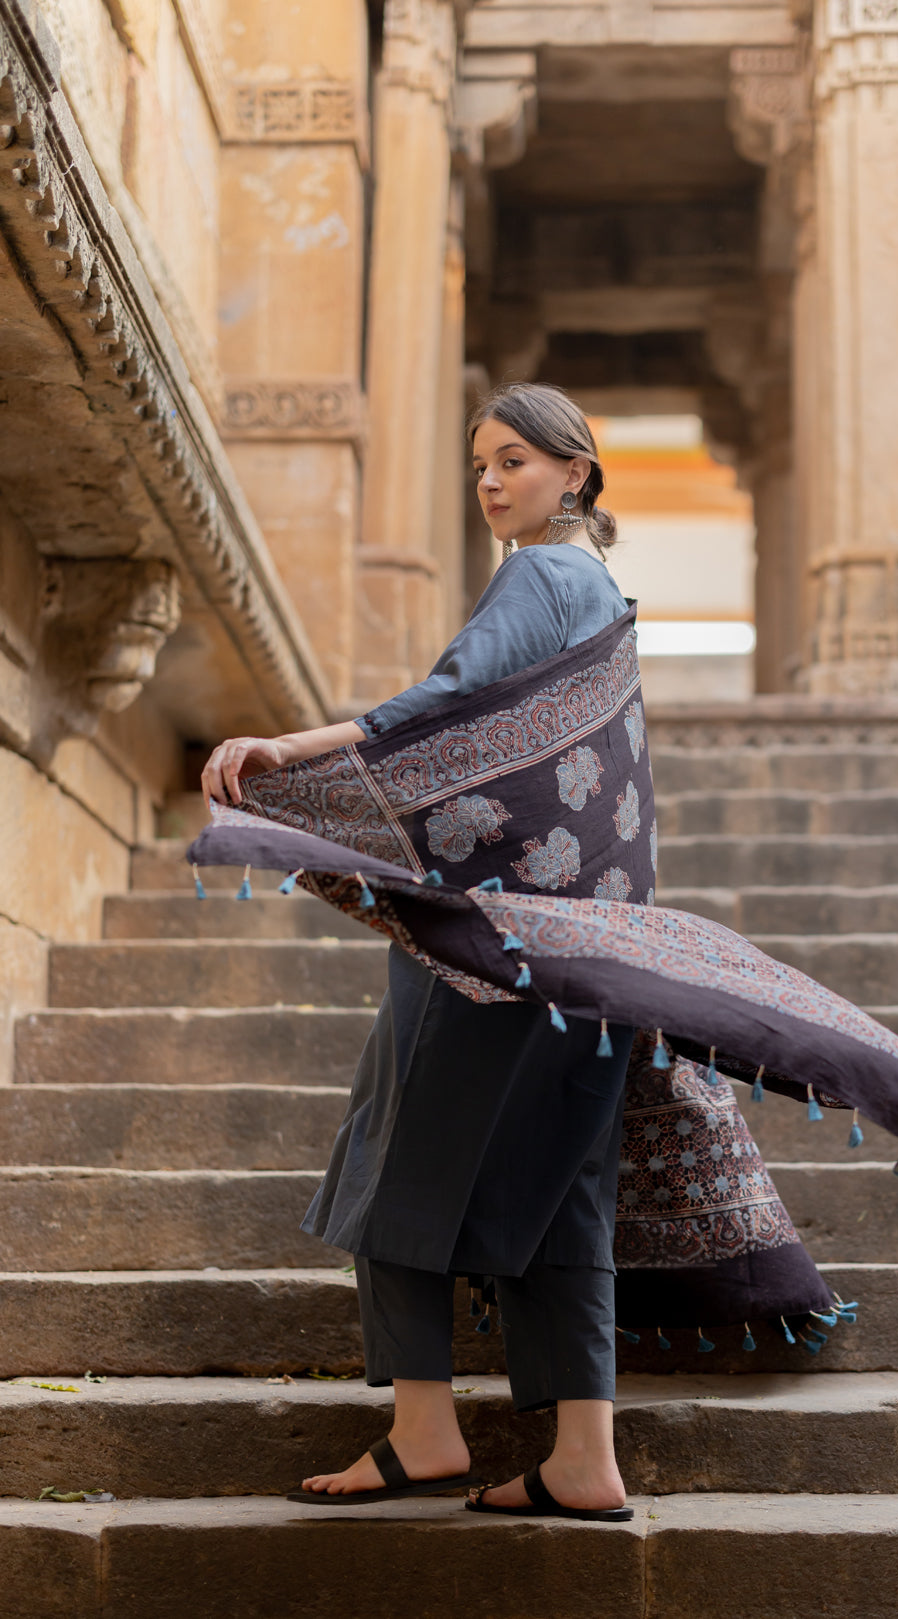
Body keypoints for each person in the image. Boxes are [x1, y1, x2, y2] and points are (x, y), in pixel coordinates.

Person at [201, 384, 639, 1521]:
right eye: (481, 464)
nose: (492, 482)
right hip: (595, 935)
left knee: (393, 1149)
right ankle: (583, 1454)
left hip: (492, 936)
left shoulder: (541, 575)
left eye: (516, 463)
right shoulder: (606, 594)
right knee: (567, 1178)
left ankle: (424, 1426)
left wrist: (285, 749)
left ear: (576, 473)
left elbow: (440, 711)